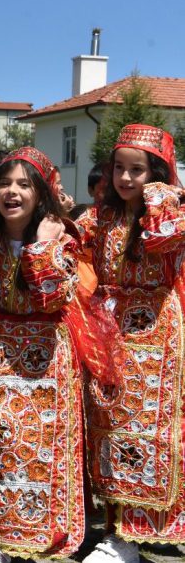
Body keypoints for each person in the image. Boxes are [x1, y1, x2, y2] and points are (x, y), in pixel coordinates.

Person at [0, 147, 110, 562]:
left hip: (48, 355)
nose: (12, 192)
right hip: (1, 349)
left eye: (24, 185)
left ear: (40, 192)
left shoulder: (61, 237)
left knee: (45, 448)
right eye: (5, 183)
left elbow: (51, 296)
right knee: (2, 443)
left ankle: (43, 530)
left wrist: (41, 247)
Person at [77, 124, 185, 563]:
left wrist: (160, 195)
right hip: (110, 335)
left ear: (156, 172)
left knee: (151, 436)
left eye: (137, 171)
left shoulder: (172, 213)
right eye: (119, 169)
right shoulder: (101, 216)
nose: (124, 179)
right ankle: (116, 532)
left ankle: (132, 536)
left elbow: (163, 238)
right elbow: (71, 242)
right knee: (108, 432)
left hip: (156, 338)